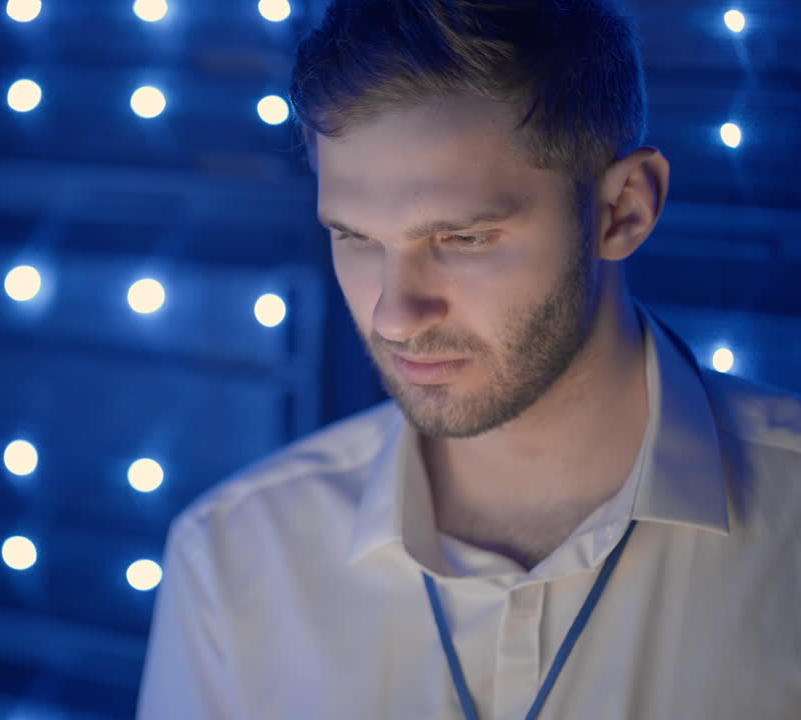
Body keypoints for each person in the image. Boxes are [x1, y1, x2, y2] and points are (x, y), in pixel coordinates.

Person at [136, 1, 801, 718]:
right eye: (355, 237)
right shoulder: (236, 558)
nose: (394, 313)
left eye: (462, 239)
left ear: (624, 211)